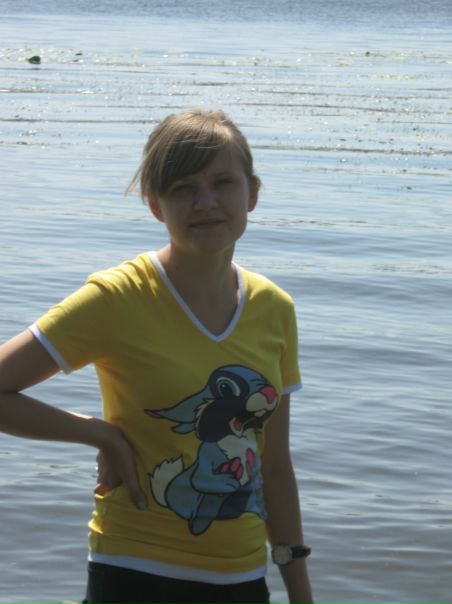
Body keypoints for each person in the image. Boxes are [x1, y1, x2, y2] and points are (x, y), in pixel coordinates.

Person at [0, 109, 313, 604]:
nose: (205, 202)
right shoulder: (117, 298)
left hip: (243, 574)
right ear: (154, 205)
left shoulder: (274, 309)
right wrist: (97, 432)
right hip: (133, 568)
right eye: (183, 188)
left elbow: (274, 466)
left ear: (251, 193)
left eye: (222, 182)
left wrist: (300, 591)